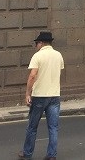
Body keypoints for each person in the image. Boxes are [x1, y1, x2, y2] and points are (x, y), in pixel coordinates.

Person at [18, 31, 64, 160]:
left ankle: (27, 154)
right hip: (54, 95)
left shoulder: (38, 56)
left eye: (36, 43)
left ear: (42, 43)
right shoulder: (58, 55)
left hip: (39, 96)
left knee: (32, 127)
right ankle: (51, 155)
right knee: (53, 127)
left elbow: (32, 76)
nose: (36, 46)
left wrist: (28, 93)